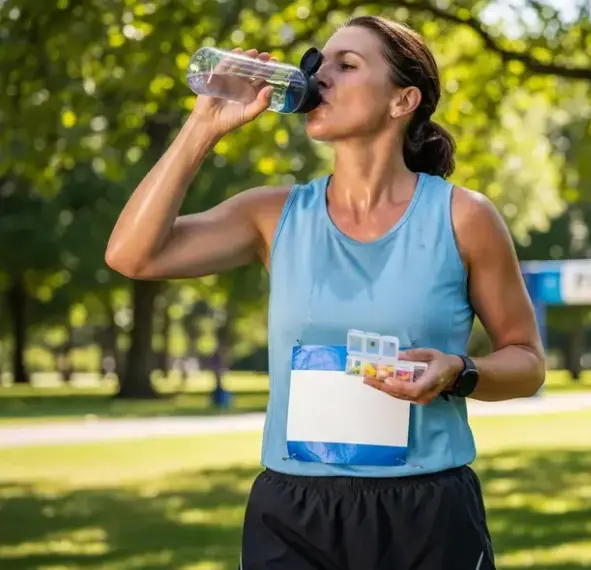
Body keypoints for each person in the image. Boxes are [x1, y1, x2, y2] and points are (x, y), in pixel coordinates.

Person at [105, 15, 545, 570]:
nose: (320, 76)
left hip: (427, 511)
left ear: (402, 100)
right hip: (294, 513)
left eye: (348, 64)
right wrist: (203, 128)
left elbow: (527, 363)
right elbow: (131, 255)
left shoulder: (464, 217)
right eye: (319, 62)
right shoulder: (272, 214)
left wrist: (460, 370)